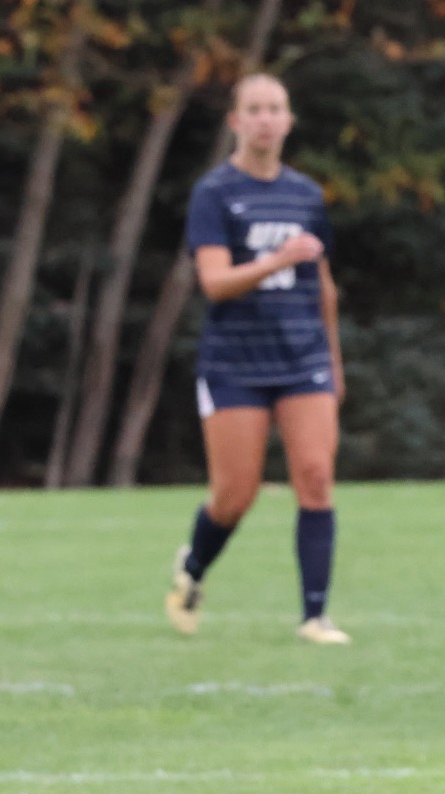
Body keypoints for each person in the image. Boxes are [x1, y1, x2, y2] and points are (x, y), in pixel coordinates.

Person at [164, 72, 348, 644]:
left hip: (303, 359)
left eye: (276, 108)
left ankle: (314, 616)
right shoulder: (215, 193)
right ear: (236, 122)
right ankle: (192, 569)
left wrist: (335, 363)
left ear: (289, 121)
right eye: (255, 109)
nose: (266, 118)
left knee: (316, 478)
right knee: (234, 495)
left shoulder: (307, 196)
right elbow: (215, 282)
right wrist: (277, 258)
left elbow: (324, 287)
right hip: (235, 364)